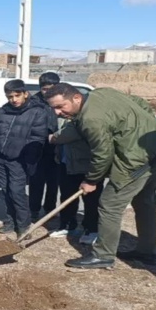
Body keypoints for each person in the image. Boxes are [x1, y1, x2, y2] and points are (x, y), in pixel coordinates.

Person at [45, 83, 156, 269]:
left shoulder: (92, 119)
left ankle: (103, 256)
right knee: (144, 201)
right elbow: (139, 102)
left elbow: (102, 154)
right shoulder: (102, 93)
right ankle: (146, 251)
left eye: (60, 106)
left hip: (138, 160)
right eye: (54, 108)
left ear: (76, 98)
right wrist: (146, 124)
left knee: (109, 205)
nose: (57, 112)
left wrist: (91, 180)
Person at [0, 79, 49, 236]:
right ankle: (10, 221)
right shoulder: (2, 111)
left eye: (17, 95)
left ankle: (24, 226)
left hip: (19, 160)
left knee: (17, 192)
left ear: (25, 94)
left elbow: (38, 139)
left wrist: (29, 162)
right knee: (6, 190)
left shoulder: (37, 112)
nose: (14, 100)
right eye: (10, 96)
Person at [48, 105, 104, 245]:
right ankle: (67, 225)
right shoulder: (61, 119)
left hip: (85, 166)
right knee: (66, 196)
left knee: (91, 201)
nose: (58, 112)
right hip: (65, 164)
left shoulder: (85, 119)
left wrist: (53, 137)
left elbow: (61, 137)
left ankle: (91, 230)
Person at [27, 72, 60, 221]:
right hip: (37, 149)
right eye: (44, 89)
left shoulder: (60, 101)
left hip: (56, 148)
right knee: (36, 182)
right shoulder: (33, 103)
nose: (47, 92)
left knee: (53, 183)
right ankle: (34, 210)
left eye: (51, 89)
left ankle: (50, 210)